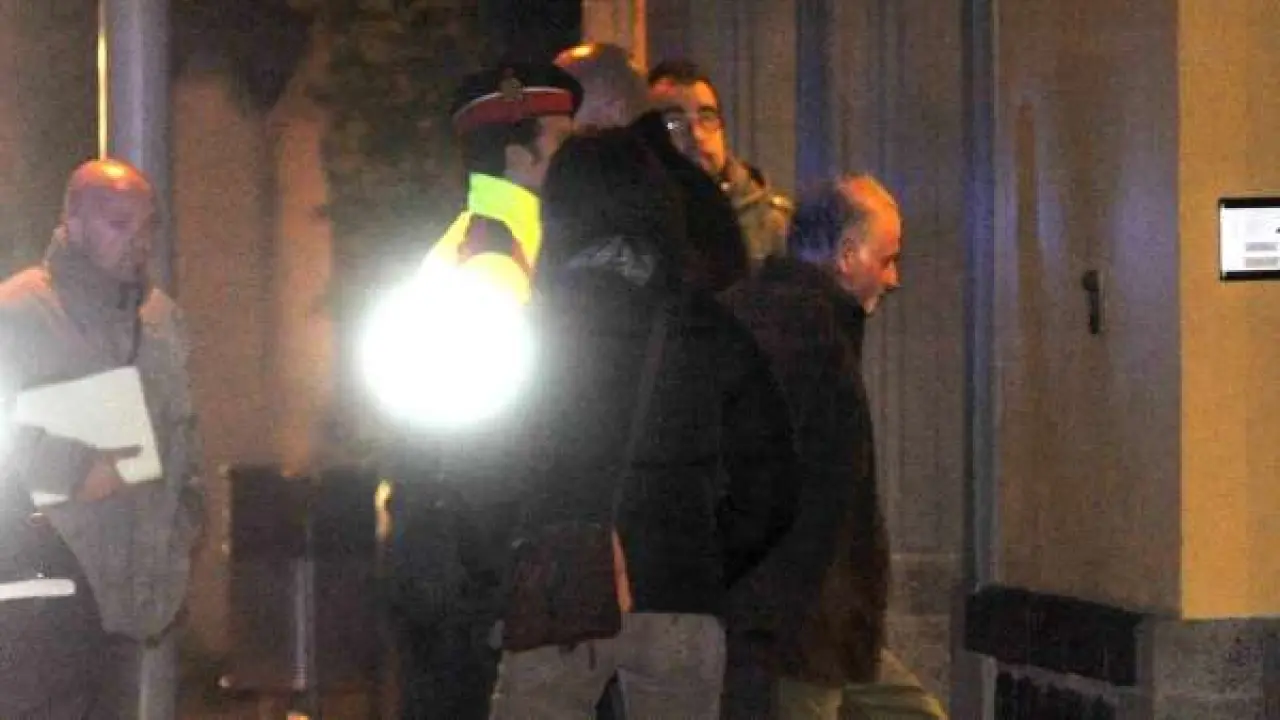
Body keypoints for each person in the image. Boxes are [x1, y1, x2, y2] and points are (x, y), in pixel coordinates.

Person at [487, 127, 798, 719]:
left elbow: (488, 467)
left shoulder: (534, 327)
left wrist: (510, 556)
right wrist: (703, 559)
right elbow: (773, 484)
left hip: (559, 596)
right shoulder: (712, 329)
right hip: (681, 597)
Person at [383, 60, 583, 720]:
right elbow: (490, 442)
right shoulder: (491, 265)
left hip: (471, 562)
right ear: (518, 157)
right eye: (562, 141)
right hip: (478, 571)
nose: (576, 159)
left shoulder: (492, 245)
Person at [721, 175, 943, 720]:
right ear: (846, 257)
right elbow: (803, 494)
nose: (893, 278)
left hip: (812, 626)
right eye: (886, 260)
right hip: (799, 628)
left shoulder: (771, 316)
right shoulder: (807, 337)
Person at [0, 158, 203, 718]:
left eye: (146, 226)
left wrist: (184, 522)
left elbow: (183, 438)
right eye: (119, 224)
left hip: (132, 593)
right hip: (40, 594)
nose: (138, 241)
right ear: (73, 222)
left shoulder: (160, 319)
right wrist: (71, 470)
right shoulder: (17, 313)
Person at [556, 43, 748, 292]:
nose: (558, 124)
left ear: (613, 107)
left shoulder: (636, 191)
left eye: (566, 108)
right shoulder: (690, 188)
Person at [648, 59, 793, 271]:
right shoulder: (633, 218)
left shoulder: (772, 221)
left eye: (706, 117)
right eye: (675, 122)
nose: (697, 134)